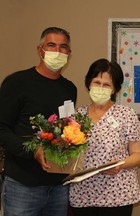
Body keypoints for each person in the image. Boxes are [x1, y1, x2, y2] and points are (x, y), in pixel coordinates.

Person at [0, 27, 77, 216]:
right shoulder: (17, 83)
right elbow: (2, 129)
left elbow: (66, 130)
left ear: (69, 53)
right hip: (22, 185)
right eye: (51, 45)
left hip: (58, 187)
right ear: (39, 50)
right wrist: (33, 151)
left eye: (63, 47)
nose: (57, 51)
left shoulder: (69, 89)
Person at [69, 59, 140, 216]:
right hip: (83, 194)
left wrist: (119, 164)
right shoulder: (76, 116)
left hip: (118, 194)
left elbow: (138, 155)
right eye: (97, 82)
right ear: (89, 84)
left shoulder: (126, 115)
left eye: (106, 85)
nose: (100, 88)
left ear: (114, 89)